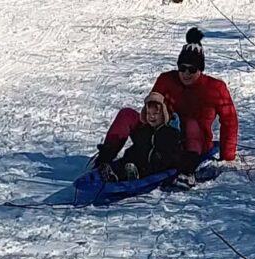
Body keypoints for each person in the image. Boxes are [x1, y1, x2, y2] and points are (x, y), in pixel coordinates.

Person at [94, 27, 238, 177]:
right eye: (182, 68)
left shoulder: (215, 88)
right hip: (161, 136)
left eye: (192, 69)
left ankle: (186, 171)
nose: (186, 73)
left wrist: (227, 157)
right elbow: (152, 106)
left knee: (190, 123)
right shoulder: (166, 79)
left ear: (200, 70)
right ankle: (105, 159)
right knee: (127, 114)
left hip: (192, 145)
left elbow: (230, 122)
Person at [96, 92, 200, 181]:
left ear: (164, 115)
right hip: (142, 161)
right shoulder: (145, 130)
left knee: (151, 164)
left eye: (156, 114)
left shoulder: (169, 132)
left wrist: (185, 167)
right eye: (149, 114)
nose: (152, 117)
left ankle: (132, 175)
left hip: (158, 165)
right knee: (132, 155)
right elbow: (138, 145)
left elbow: (174, 152)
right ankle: (113, 174)